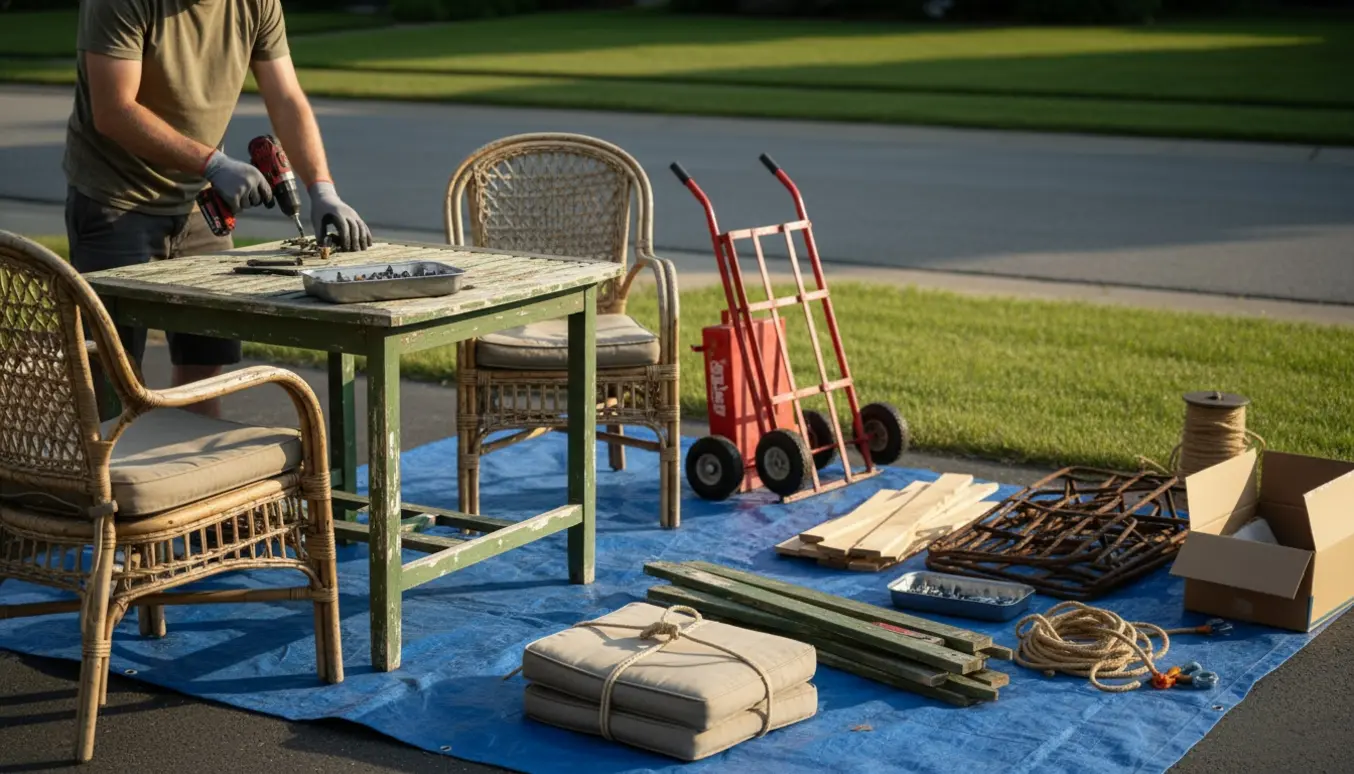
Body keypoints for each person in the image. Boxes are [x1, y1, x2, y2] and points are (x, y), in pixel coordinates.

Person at [64, 0, 372, 417]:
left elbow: (285, 97)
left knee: (204, 371)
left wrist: (322, 189)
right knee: (109, 379)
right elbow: (114, 111)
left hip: (201, 212)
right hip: (115, 205)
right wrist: (214, 163)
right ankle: (106, 482)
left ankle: (195, 480)